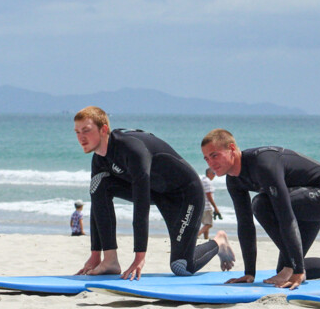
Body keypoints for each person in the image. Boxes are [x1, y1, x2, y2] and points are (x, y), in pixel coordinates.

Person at [201, 129, 320, 290]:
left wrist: (297, 272)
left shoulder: (263, 164)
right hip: (299, 202)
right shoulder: (233, 180)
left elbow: (285, 216)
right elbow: (245, 224)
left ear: (231, 148)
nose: (211, 163)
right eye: (207, 159)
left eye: (214, 155)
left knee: (262, 204)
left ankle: (297, 269)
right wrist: (249, 273)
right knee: (285, 266)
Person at [73, 107, 234, 279]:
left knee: (182, 266)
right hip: (157, 193)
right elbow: (97, 203)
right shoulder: (99, 159)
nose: (81, 137)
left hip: (186, 195)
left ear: (103, 129)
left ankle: (219, 242)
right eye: (77, 132)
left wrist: (139, 258)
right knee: (99, 184)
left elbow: (141, 204)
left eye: (86, 131)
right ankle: (110, 260)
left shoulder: (132, 149)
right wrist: (95, 254)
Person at [198, 168, 222, 240]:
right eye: (214, 174)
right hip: (207, 206)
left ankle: (206, 238)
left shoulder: (202, 180)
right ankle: (197, 235)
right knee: (209, 224)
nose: (214, 176)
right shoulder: (208, 182)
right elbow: (209, 196)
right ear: (209, 173)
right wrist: (215, 208)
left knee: (206, 224)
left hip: (202, 205)